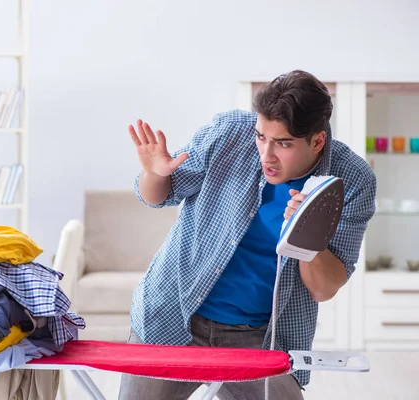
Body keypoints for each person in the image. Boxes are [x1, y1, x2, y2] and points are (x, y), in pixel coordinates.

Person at [118, 70, 377, 400]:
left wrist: (307, 237)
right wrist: (153, 173)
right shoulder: (229, 133)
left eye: (282, 144)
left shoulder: (353, 180)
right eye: (261, 137)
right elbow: (157, 196)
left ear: (317, 141)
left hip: (260, 337)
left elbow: (324, 288)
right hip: (174, 316)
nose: (266, 154)